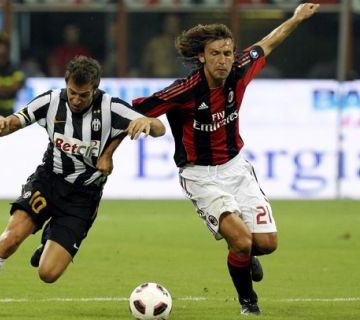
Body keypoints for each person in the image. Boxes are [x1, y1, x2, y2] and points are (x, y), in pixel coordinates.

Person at [130, 3, 320, 316]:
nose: (223, 60)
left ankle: (244, 255)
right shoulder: (184, 90)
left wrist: (297, 17)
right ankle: (248, 302)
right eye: (216, 53)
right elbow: (138, 109)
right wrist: (141, 122)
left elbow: (270, 41)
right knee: (242, 242)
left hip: (236, 168)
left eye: (228, 53)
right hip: (200, 175)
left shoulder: (241, 69)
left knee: (266, 244)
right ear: (201, 57)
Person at [0, 56, 165, 316]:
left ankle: (50, 236)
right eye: (72, 92)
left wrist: (147, 122)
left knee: (48, 274)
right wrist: (1, 125)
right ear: (66, 85)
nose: (76, 100)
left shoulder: (111, 108)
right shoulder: (50, 101)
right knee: (10, 238)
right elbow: (15, 122)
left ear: (95, 88)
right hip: (49, 181)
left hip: (83, 198)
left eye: (83, 95)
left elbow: (159, 127)